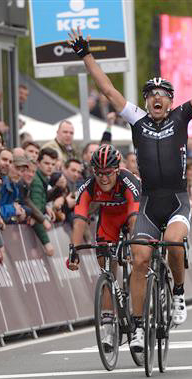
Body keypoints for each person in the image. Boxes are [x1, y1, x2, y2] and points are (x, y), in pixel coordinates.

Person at [68, 26, 192, 351]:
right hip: (150, 203)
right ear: (146, 101)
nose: (156, 97)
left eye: (162, 94)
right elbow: (108, 90)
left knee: (173, 242)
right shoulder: (137, 120)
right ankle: (137, 328)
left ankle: (178, 293)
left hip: (178, 200)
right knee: (139, 260)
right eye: (150, 94)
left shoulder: (181, 117)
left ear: (169, 100)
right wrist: (86, 54)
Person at [67, 145, 140, 350]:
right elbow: (80, 219)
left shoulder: (128, 181)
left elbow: (134, 217)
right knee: (107, 271)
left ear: (117, 170)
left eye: (108, 173)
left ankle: (141, 320)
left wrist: (134, 246)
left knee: (139, 262)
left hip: (133, 216)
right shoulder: (88, 187)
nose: (103, 178)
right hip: (109, 222)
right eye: (98, 173)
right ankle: (108, 326)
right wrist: (74, 249)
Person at [29, 147, 57, 256]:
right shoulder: (36, 182)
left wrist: (45, 206)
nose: (50, 167)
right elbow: (35, 215)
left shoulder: (42, 180)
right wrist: (46, 242)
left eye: (53, 164)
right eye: (46, 163)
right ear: (38, 163)